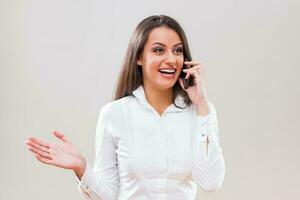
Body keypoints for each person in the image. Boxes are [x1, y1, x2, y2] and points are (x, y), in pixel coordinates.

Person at [25, 15, 225, 200]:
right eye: (158, 50)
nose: (171, 59)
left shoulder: (200, 112)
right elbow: (106, 195)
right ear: (139, 57)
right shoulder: (114, 114)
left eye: (178, 50)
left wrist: (202, 105)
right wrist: (82, 168)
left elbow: (211, 182)